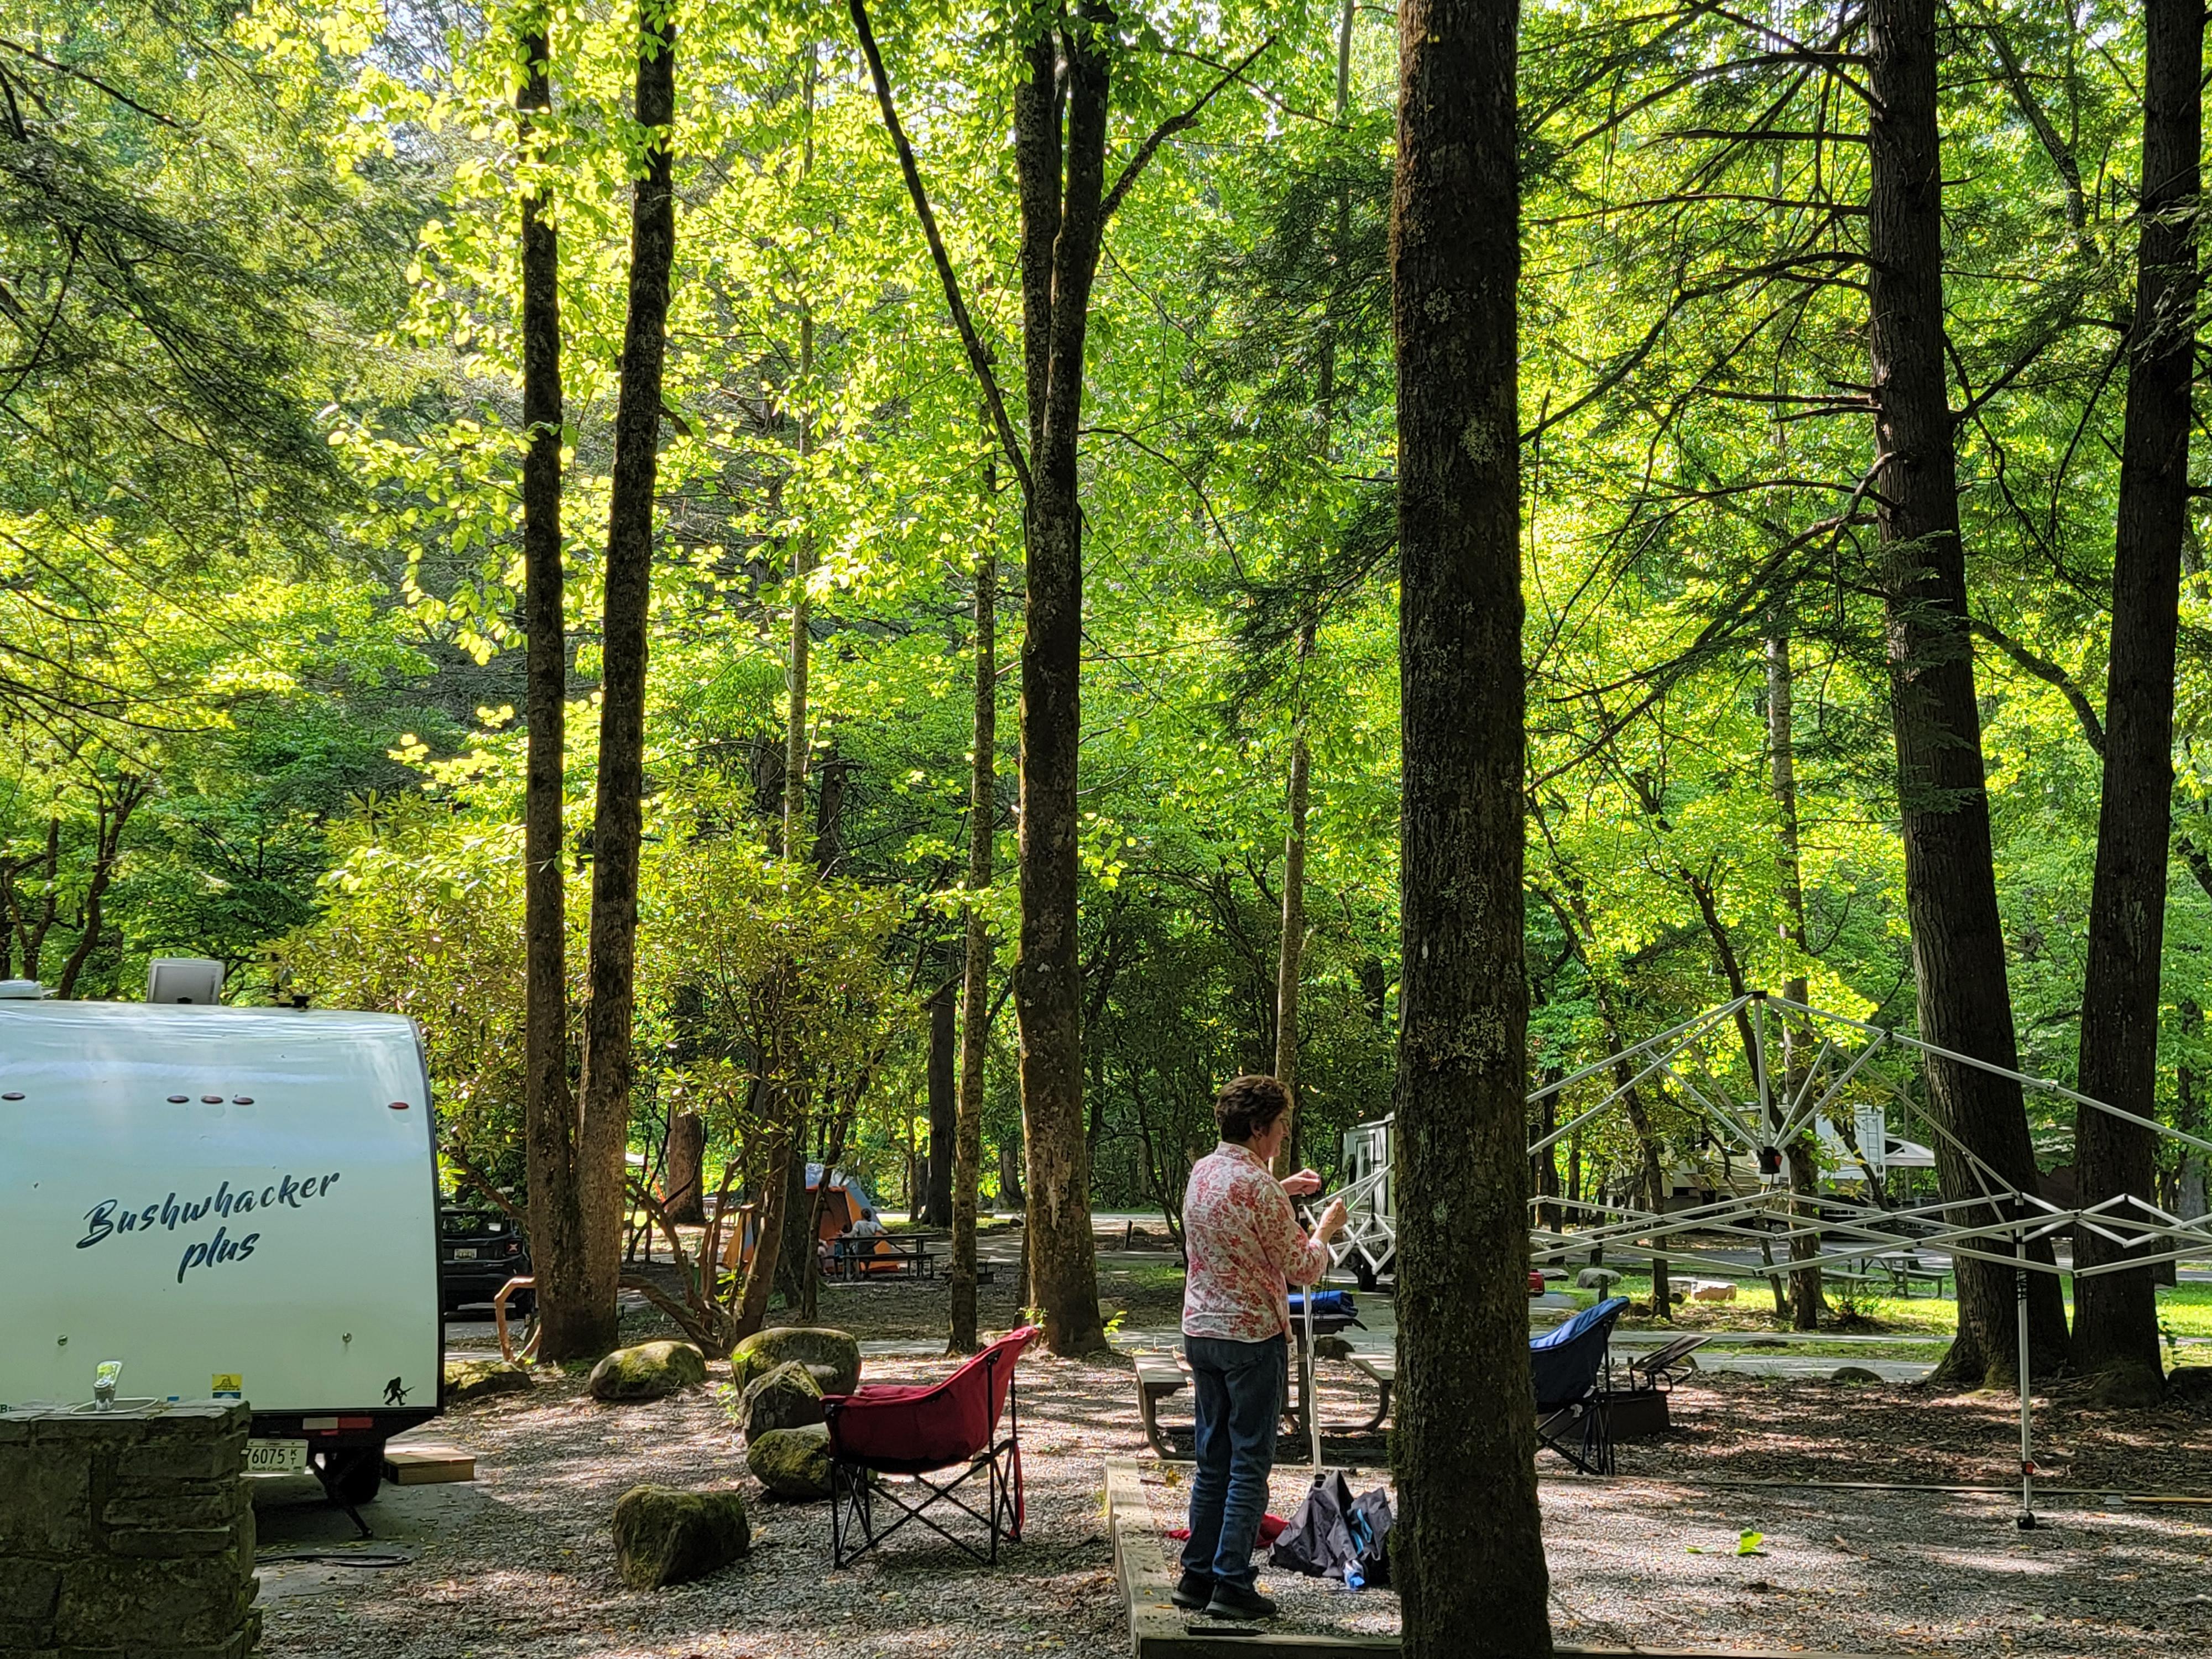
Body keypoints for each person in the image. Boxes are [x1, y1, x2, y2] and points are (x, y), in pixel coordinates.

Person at [1176, 1074, 1346, 1621]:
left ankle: (1195, 1575)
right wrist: (1325, 1228)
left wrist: (1285, 1190)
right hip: (1251, 1337)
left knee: (1213, 1462)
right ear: (1257, 1129)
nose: (1282, 1136)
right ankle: (1231, 1582)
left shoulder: (1205, 1172)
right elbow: (1302, 1267)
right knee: (1249, 1463)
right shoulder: (1259, 1187)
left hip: (1202, 1331)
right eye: (1278, 1128)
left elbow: (1240, 1211)